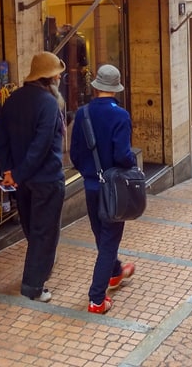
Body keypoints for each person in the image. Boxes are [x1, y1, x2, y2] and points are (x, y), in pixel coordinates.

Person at [0, 51, 67, 303]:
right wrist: (17, 172)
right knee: (44, 233)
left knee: (31, 229)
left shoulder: (13, 99)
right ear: (48, 77)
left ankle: (39, 270)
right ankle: (33, 286)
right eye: (57, 72)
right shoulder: (48, 103)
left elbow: (0, 139)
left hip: (21, 182)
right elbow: (41, 146)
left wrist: (9, 172)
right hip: (45, 180)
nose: (59, 76)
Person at [70, 64, 137, 314]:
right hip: (114, 189)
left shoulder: (82, 113)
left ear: (97, 87)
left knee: (102, 236)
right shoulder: (121, 115)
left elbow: (75, 153)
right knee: (109, 239)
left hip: (90, 185)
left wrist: (89, 172)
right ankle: (97, 299)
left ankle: (116, 272)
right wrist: (131, 164)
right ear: (115, 89)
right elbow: (123, 155)